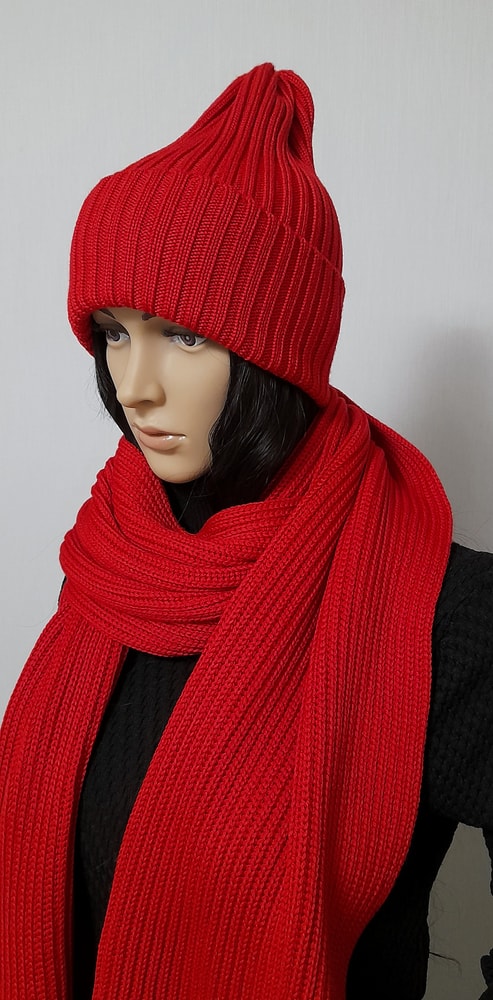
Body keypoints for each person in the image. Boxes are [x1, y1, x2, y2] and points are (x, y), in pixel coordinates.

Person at [0, 62, 492, 1000]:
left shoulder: (439, 613)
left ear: (279, 351)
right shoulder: (109, 567)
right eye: (114, 332)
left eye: (182, 335)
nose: (133, 386)